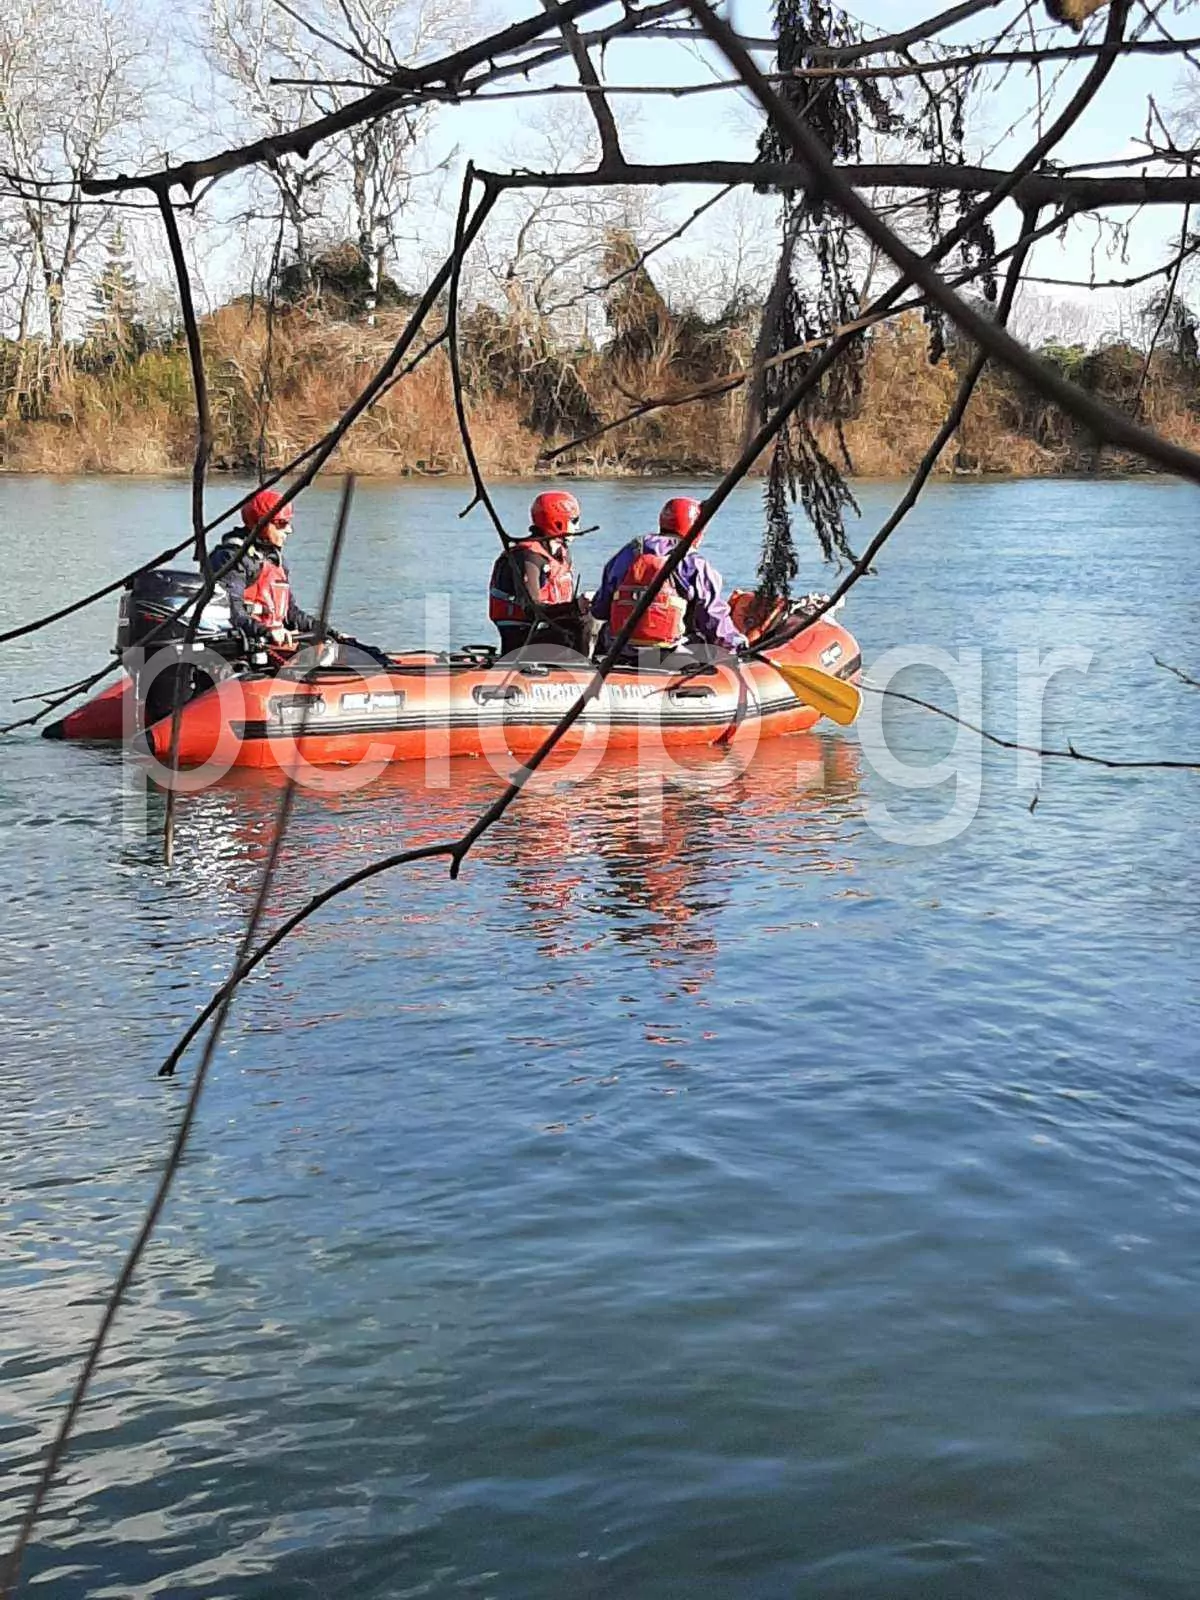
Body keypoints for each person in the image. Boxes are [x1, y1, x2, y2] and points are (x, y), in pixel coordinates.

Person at [590, 496, 748, 659]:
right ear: (697, 530)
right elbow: (713, 618)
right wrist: (736, 644)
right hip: (671, 655)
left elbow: (599, 610)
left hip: (618, 650)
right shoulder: (695, 563)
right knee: (703, 640)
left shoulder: (629, 552)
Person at [212, 488, 322, 649]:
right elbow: (231, 610)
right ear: (261, 524)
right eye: (281, 524)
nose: (289, 530)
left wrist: (327, 631)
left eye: (288, 523)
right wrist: (265, 631)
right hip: (249, 649)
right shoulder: (231, 558)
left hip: (277, 643)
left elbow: (291, 614)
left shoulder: (276, 561)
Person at [488, 490, 590, 656]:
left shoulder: (560, 554)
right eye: (574, 521)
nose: (578, 527)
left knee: (597, 619)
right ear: (557, 521)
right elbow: (532, 609)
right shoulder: (528, 557)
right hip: (522, 639)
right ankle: (583, 673)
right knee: (583, 623)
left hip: (550, 629)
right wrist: (575, 606)